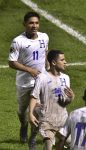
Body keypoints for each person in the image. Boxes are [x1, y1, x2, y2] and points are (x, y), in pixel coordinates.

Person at [8, 11, 49, 145]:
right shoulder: (18, 41)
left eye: (36, 23)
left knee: (38, 110)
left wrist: (47, 65)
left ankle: (33, 137)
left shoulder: (44, 37)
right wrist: (29, 70)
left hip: (40, 81)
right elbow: (12, 62)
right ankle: (24, 126)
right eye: (31, 23)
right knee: (22, 111)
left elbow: (45, 52)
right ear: (24, 24)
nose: (34, 25)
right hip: (24, 82)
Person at [29, 49, 74, 150]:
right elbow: (34, 96)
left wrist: (71, 98)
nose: (65, 62)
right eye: (62, 60)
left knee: (71, 145)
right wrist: (31, 114)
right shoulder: (42, 78)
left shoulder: (66, 78)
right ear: (53, 62)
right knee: (48, 146)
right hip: (46, 120)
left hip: (62, 120)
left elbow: (64, 102)